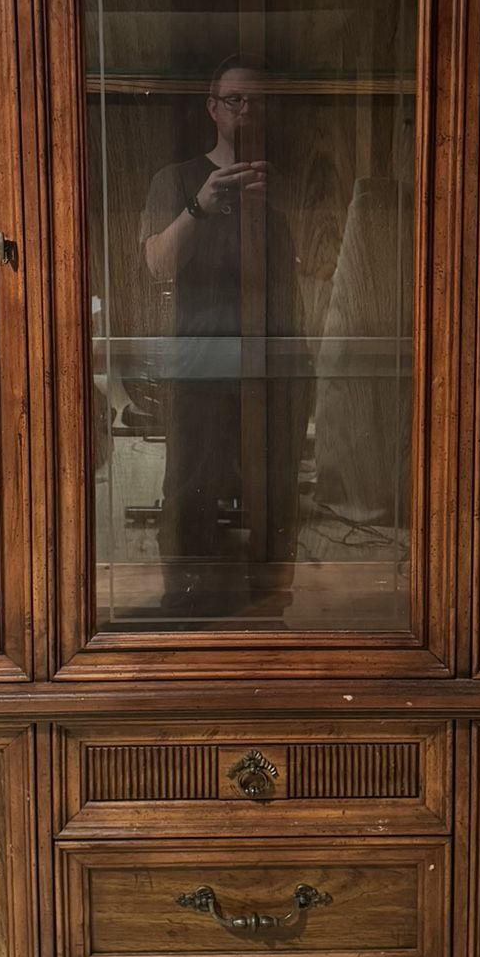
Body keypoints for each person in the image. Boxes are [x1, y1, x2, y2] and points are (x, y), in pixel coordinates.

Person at [141, 57, 309, 621]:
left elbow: (312, 273)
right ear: (212, 108)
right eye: (235, 100)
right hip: (197, 365)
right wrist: (201, 206)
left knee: (274, 495)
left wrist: (280, 206)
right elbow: (156, 265)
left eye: (257, 101)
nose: (246, 110)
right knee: (189, 491)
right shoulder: (177, 179)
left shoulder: (283, 184)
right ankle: (184, 608)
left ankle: (268, 608)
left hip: (271, 367)